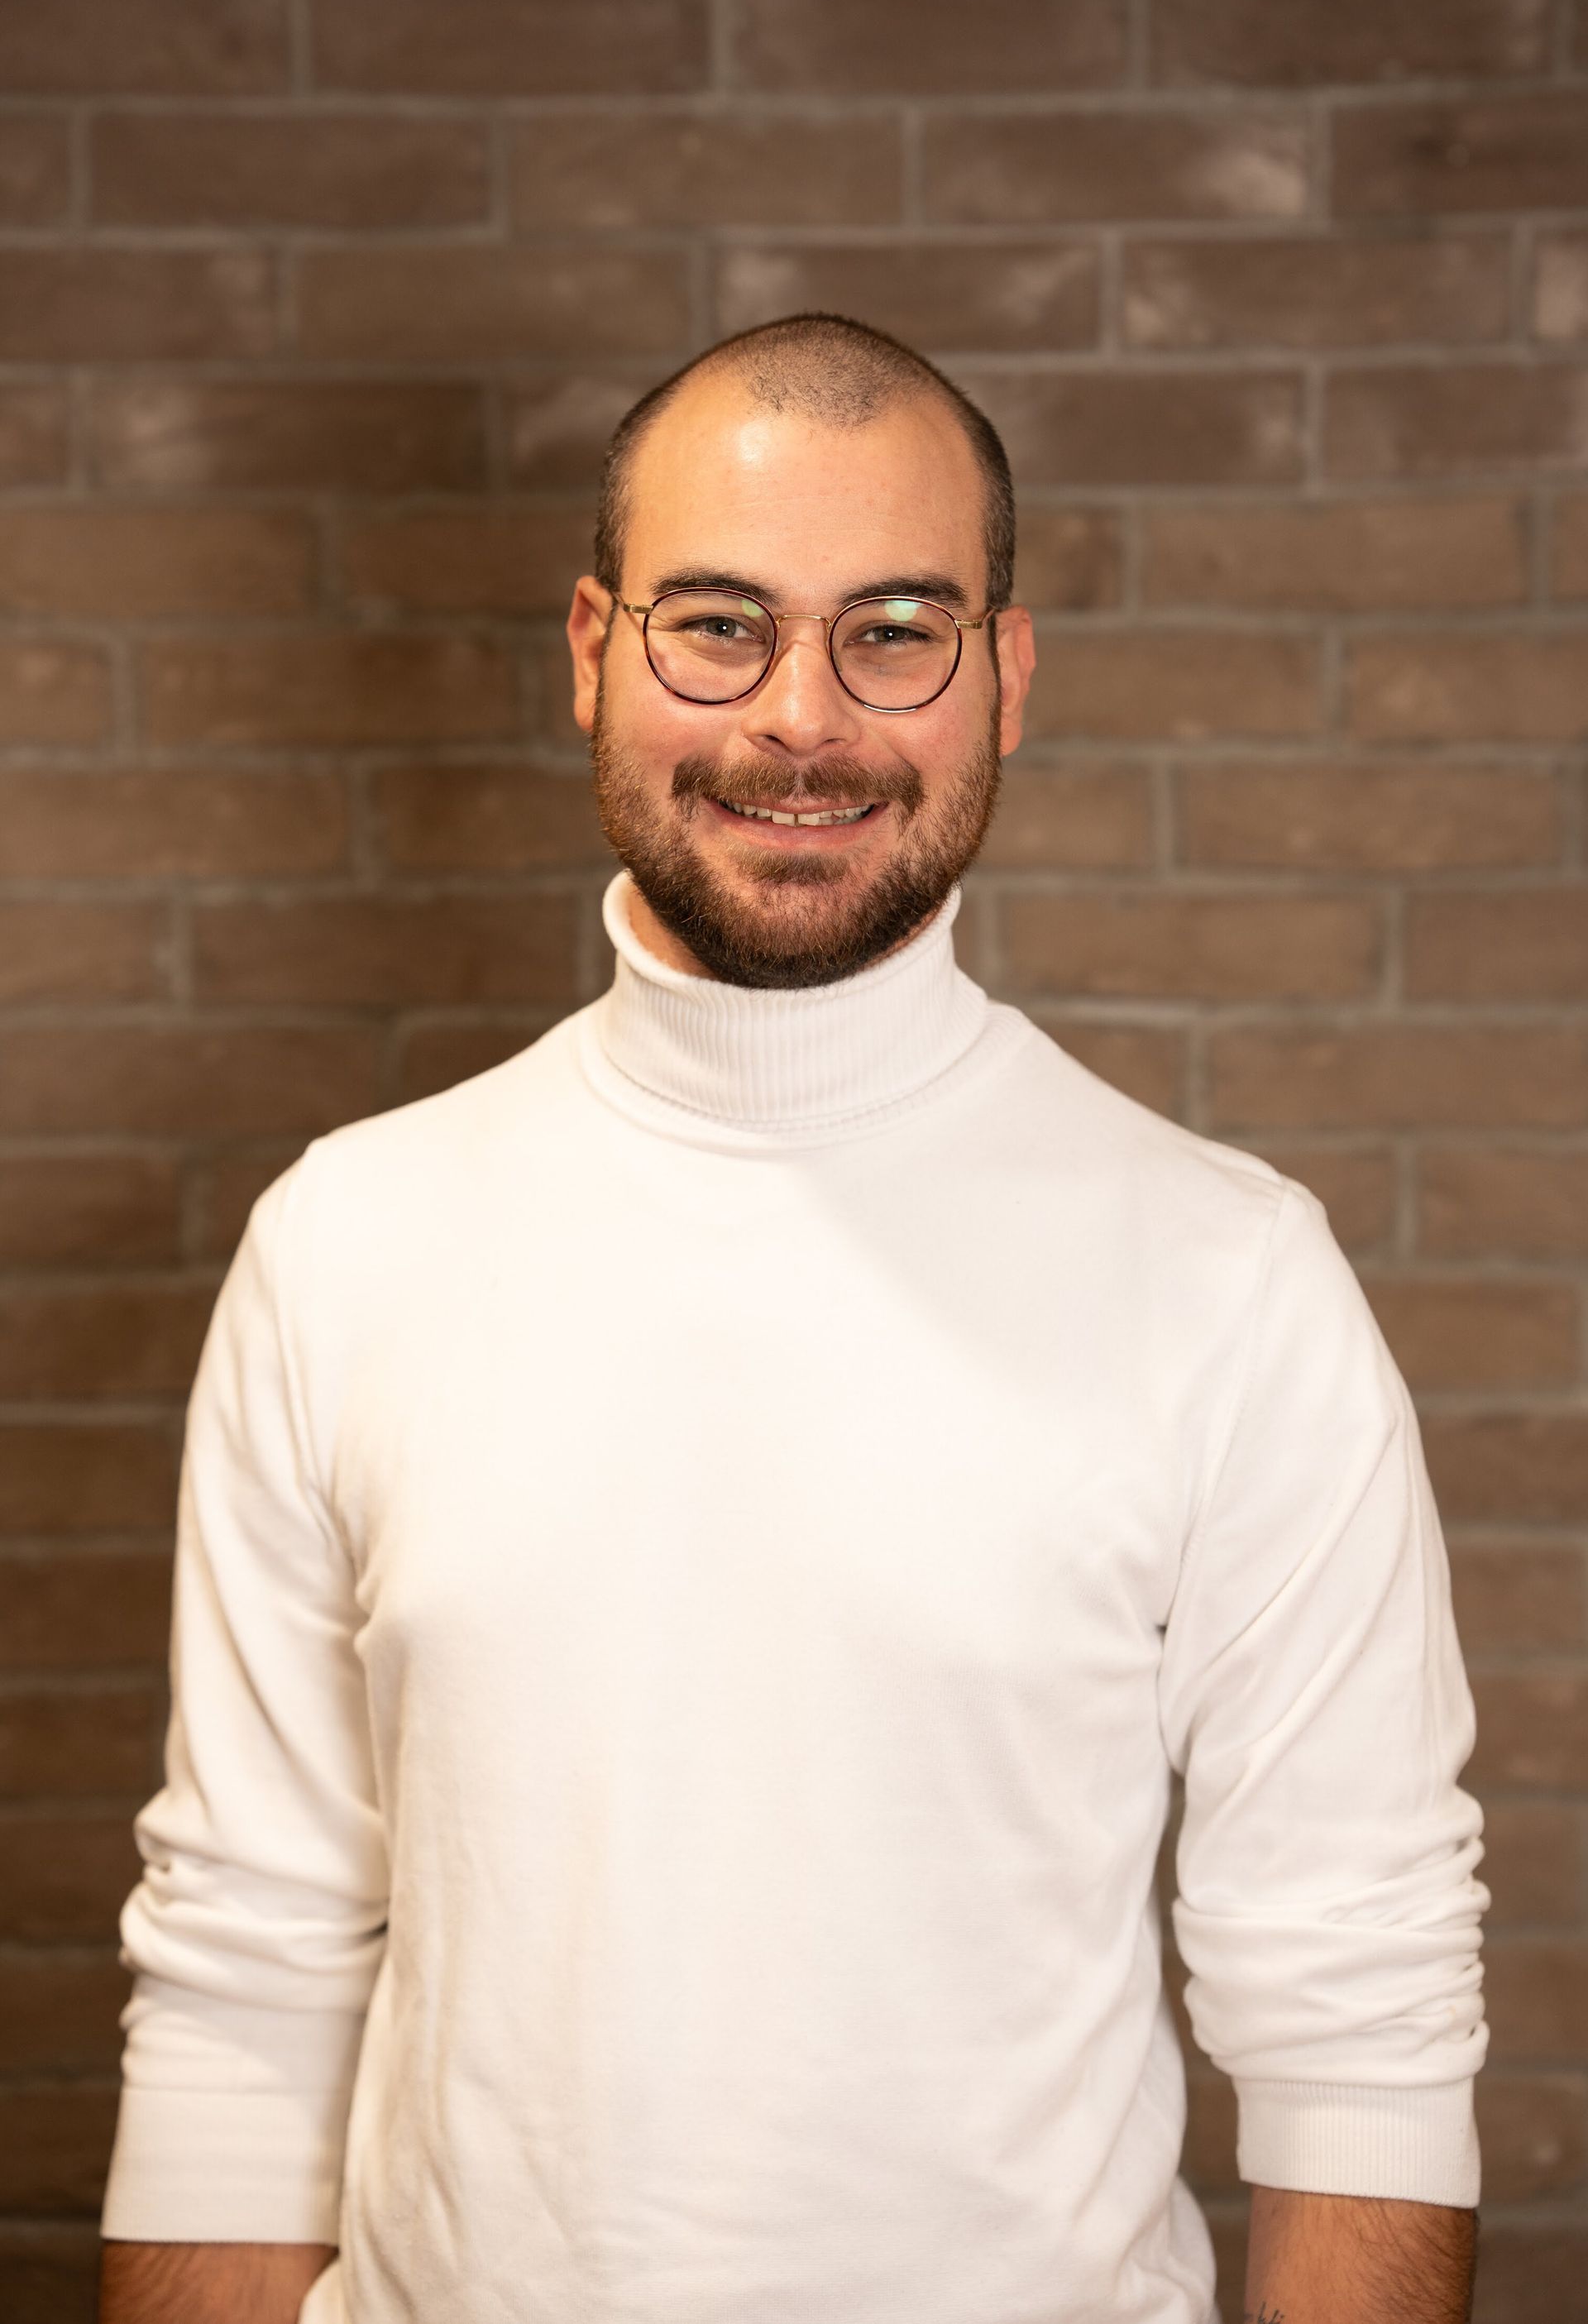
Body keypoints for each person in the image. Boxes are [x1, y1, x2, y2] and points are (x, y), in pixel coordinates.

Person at [98, 313, 1488, 2324]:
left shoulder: (1231, 1282)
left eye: (895, 630)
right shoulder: (347, 1242)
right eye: (719, 627)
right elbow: (247, 1965)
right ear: (595, 650)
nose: (802, 718)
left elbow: (1361, 2009)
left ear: (1006, 675)